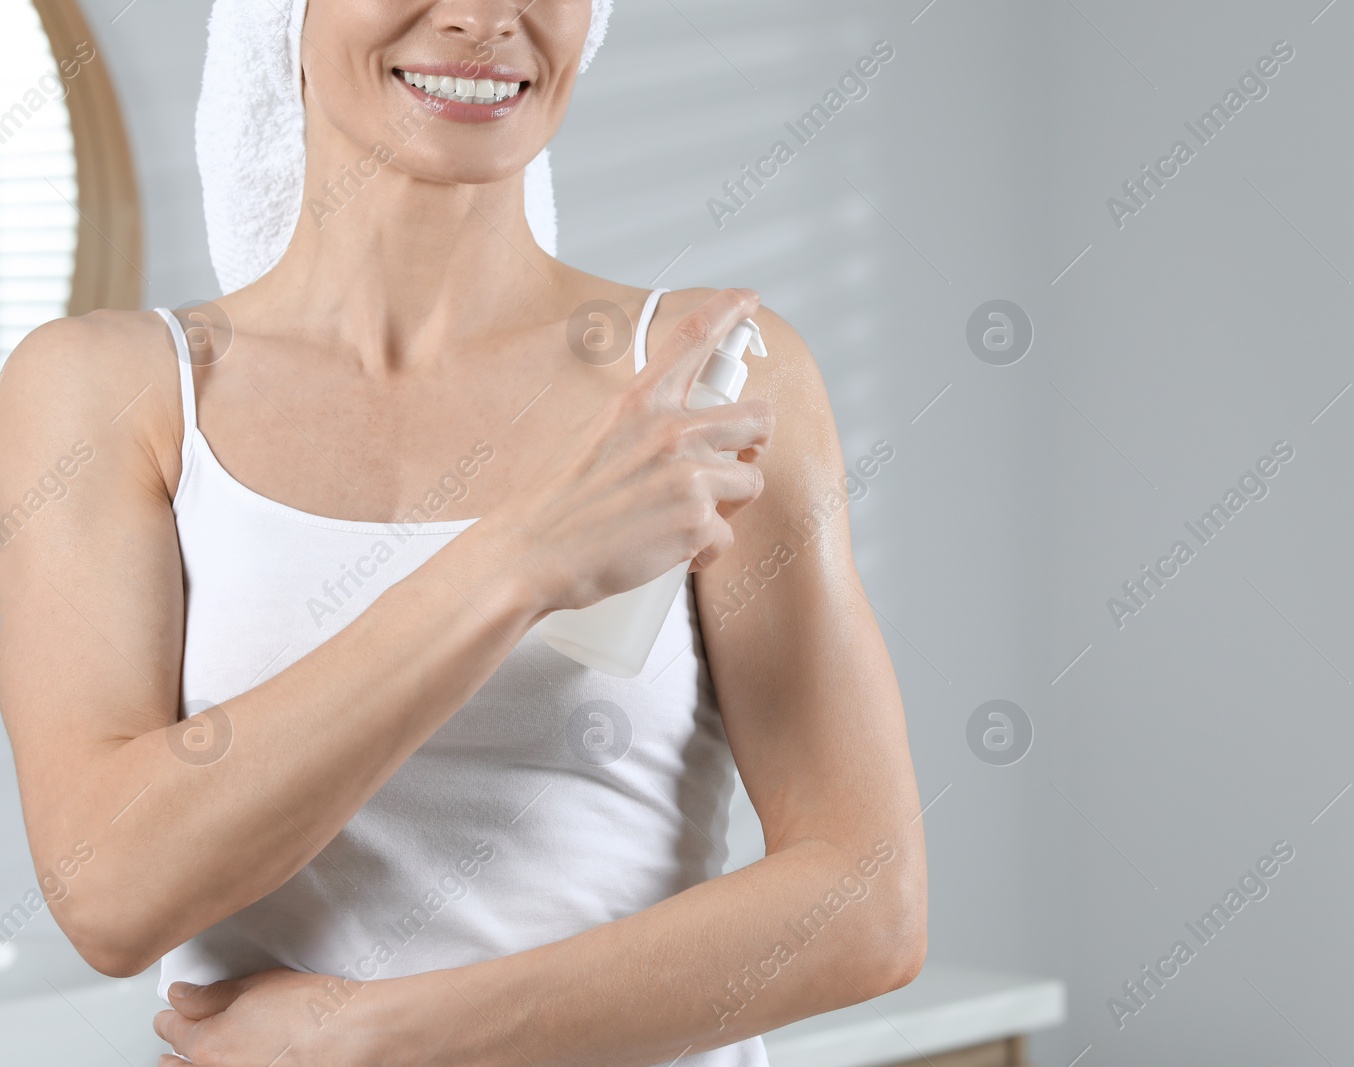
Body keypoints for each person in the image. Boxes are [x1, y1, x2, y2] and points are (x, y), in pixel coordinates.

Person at [0, 2, 925, 1064]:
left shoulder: (704, 375)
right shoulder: (114, 393)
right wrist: (518, 563)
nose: (486, 17)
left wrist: (377, 1036)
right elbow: (111, 891)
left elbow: (867, 900)